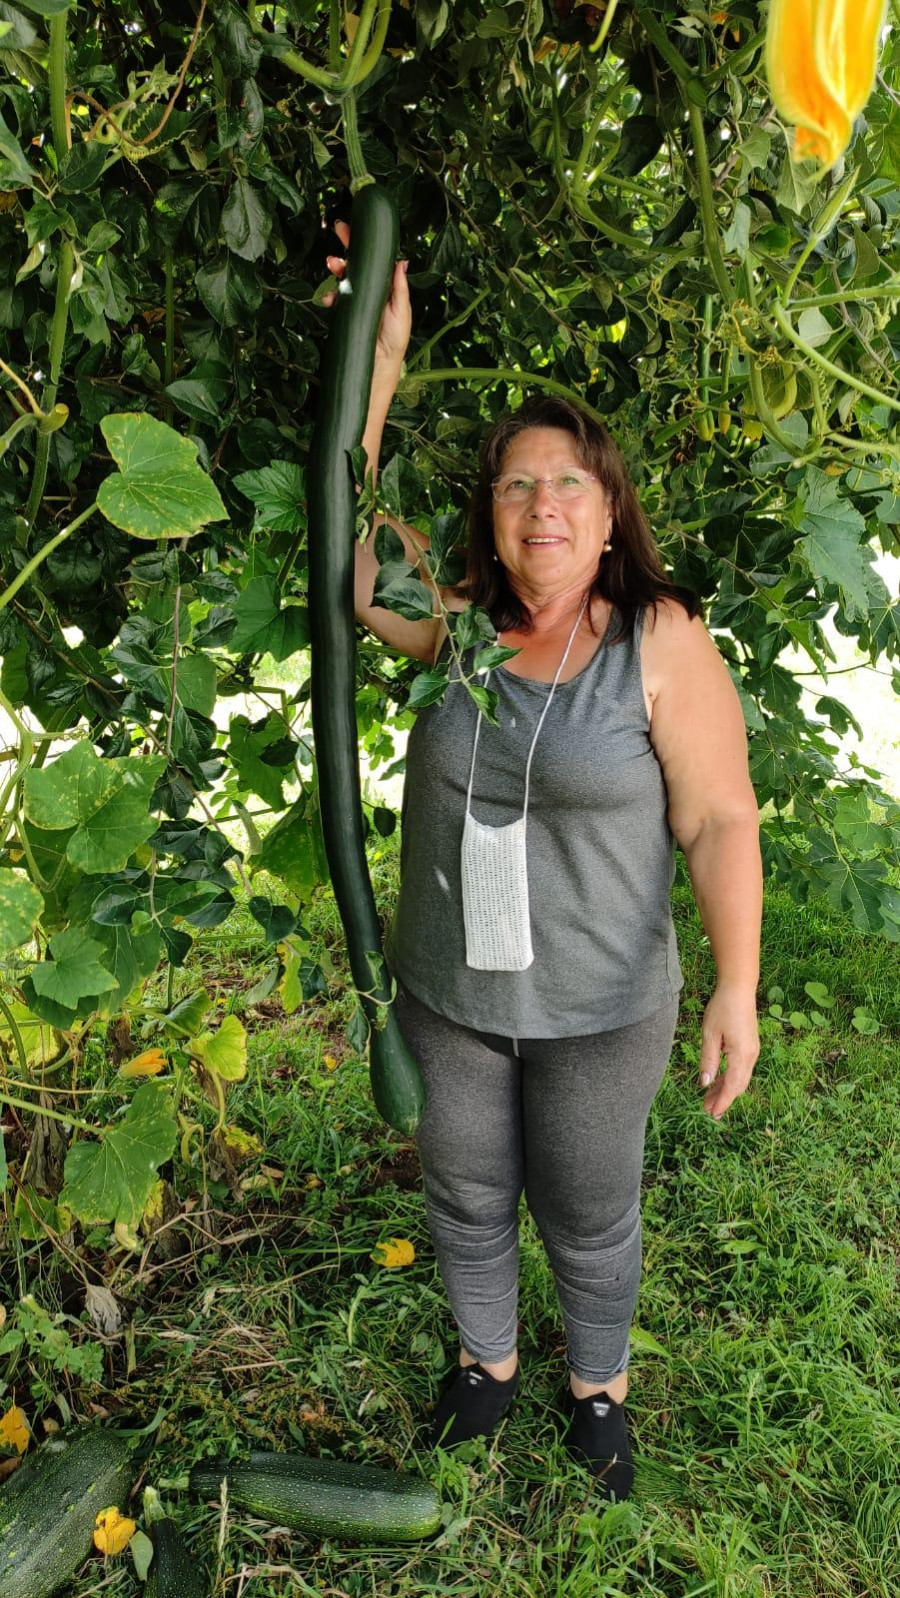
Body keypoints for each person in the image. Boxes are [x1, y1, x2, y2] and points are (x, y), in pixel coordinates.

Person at [324, 230, 762, 1499]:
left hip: (598, 1004)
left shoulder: (659, 642)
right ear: (494, 514)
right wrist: (381, 361)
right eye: (518, 485)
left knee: (587, 1205)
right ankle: (488, 1361)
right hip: (450, 992)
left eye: (570, 480)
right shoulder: (456, 625)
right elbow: (347, 554)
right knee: (463, 1188)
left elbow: (722, 819)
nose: (545, 505)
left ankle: (600, 1385)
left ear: (609, 503)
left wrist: (735, 982)